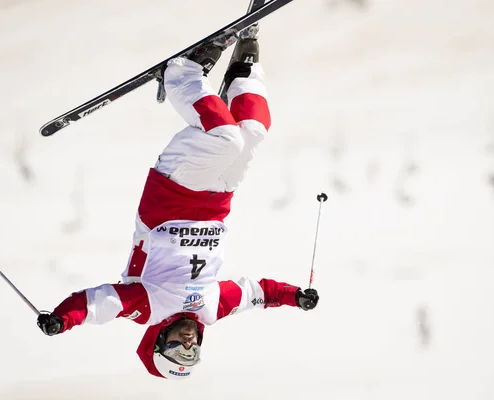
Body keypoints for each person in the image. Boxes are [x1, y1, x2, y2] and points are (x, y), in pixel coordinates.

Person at [36, 25, 320, 380]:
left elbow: (93, 305)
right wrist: (297, 297)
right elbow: (260, 293)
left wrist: (60, 321)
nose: (188, 343)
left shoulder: (147, 307)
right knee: (252, 133)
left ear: (158, 341)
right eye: (193, 351)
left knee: (225, 139)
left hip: (170, 196)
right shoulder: (213, 309)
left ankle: (181, 73)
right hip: (218, 199)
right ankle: (245, 71)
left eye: (177, 349)